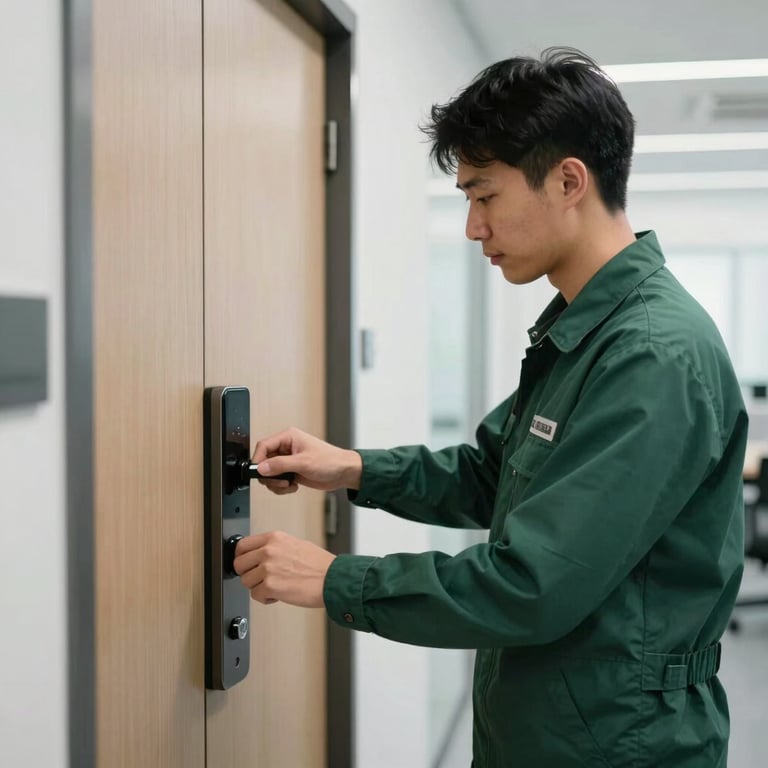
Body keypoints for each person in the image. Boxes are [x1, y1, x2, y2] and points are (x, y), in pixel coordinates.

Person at [233, 47, 747, 767]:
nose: (474, 228)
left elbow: (533, 584)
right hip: (549, 723)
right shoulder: (587, 330)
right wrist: (352, 468)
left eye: (484, 196)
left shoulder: (652, 355)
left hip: (617, 743)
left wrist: (334, 580)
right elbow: (493, 474)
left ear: (569, 180)